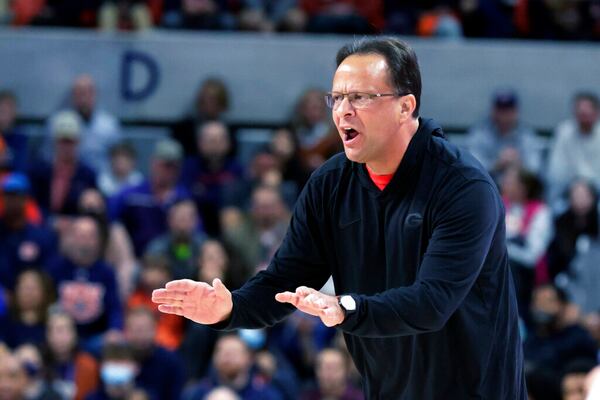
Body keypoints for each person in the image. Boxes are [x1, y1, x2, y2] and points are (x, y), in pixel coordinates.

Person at [153, 37, 525, 399]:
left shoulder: (462, 186)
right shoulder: (330, 184)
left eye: (360, 97)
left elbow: (433, 302)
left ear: (405, 106)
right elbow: (285, 282)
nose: (342, 110)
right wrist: (231, 307)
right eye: (337, 97)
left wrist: (347, 308)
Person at [466, 88, 543, 176]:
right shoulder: (480, 133)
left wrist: (518, 163)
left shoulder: (526, 134)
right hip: (487, 186)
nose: (504, 115)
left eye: (508, 110)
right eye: (501, 109)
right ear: (493, 111)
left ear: (516, 111)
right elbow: (473, 167)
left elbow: (534, 169)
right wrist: (497, 164)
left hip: (519, 186)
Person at [546, 92, 600, 203]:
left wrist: (588, 189)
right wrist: (576, 187)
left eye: (587, 115)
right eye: (580, 114)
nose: (583, 119)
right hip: (568, 192)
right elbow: (556, 172)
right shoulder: (563, 132)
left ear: (596, 114)